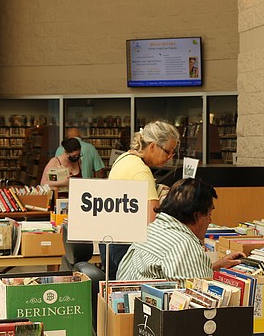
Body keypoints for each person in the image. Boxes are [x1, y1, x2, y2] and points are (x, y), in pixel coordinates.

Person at [117, 178, 244, 281]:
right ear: (197, 214)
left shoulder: (153, 229)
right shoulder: (183, 245)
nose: (210, 221)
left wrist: (217, 266)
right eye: (209, 214)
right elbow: (196, 299)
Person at [103, 120, 181, 278]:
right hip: (128, 246)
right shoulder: (141, 172)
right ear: (152, 146)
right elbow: (151, 223)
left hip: (111, 241)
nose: (170, 157)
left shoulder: (125, 158)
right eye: (168, 151)